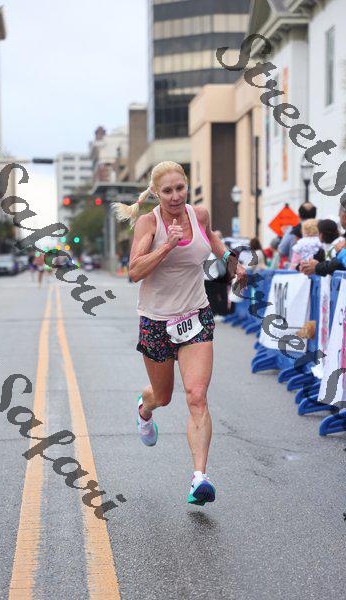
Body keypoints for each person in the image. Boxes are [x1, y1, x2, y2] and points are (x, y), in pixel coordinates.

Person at [113, 161, 247, 506]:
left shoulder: (198, 215)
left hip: (195, 316)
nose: (175, 196)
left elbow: (212, 240)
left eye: (180, 188)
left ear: (187, 186)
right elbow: (134, 271)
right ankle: (144, 409)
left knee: (197, 395)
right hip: (156, 321)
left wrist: (234, 263)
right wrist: (167, 246)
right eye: (168, 191)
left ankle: (199, 478)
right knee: (163, 397)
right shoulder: (149, 223)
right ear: (156, 194)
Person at [300, 207, 346, 277]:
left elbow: (338, 264)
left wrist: (318, 266)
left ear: (321, 235)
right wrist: (311, 265)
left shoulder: (340, 244)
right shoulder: (328, 245)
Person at [203, 230, 228, 319]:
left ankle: (221, 312)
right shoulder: (209, 249)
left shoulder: (222, 248)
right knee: (211, 296)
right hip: (210, 277)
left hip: (219, 275)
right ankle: (214, 312)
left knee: (220, 294)